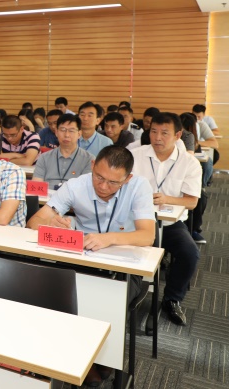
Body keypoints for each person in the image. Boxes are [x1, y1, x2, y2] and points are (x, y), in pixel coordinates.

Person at [28, 145, 156, 386]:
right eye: (99, 177)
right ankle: (82, 361)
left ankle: (100, 357)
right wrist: (49, 225)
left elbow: (147, 235)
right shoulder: (76, 185)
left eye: (113, 182)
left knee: (105, 298)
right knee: (58, 293)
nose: (103, 186)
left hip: (124, 268)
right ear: (92, 165)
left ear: (127, 178)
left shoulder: (139, 187)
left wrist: (109, 238)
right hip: (81, 260)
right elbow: (35, 221)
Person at [130, 113, 202, 325]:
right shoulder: (134, 155)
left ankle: (172, 299)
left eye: (164, 133)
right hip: (136, 221)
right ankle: (130, 292)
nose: (157, 137)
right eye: (153, 131)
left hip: (170, 224)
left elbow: (191, 202)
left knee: (190, 254)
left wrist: (166, 198)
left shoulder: (189, 163)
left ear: (178, 135)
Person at [32, 114, 94, 188]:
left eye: (71, 131)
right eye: (62, 130)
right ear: (56, 132)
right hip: (48, 195)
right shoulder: (44, 158)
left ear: (79, 134)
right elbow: (36, 186)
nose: (66, 135)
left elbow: (85, 188)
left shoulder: (89, 160)